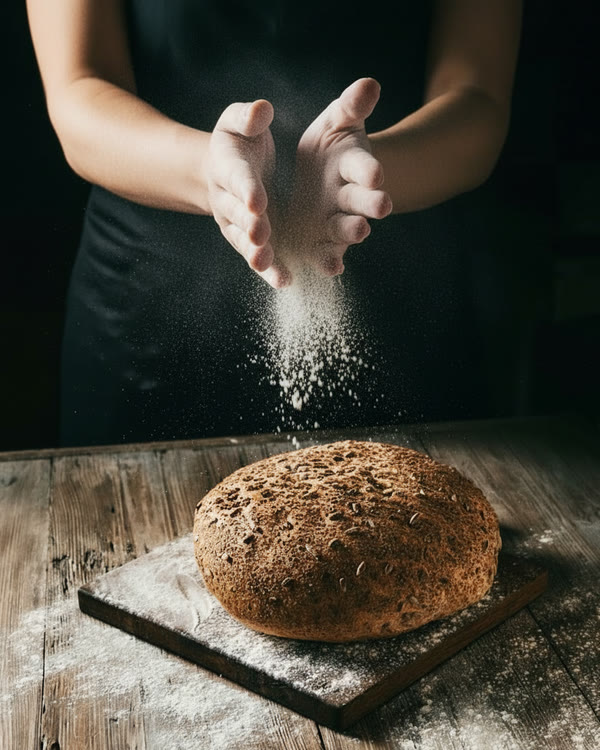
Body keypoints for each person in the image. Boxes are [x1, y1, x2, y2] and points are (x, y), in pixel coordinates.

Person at [26, 0, 522, 446]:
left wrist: (366, 174)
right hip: (145, 319)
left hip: (404, 309)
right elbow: (79, 87)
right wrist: (208, 171)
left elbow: (477, 97)